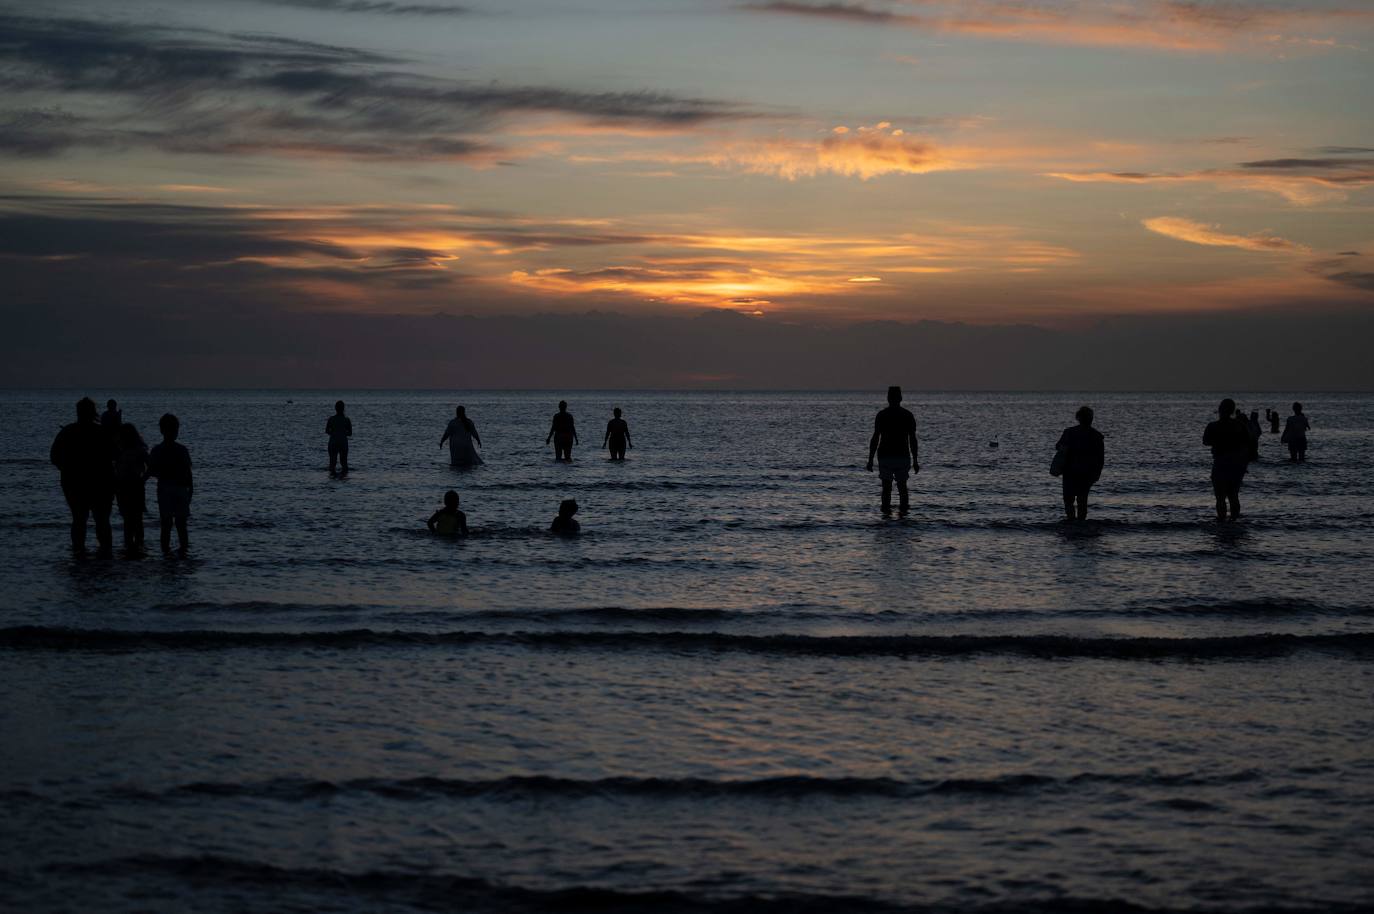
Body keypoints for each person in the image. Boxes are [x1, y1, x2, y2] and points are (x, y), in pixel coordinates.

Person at [49, 397, 115, 555]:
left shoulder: (67, 432)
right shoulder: (102, 432)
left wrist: (66, 469)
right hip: (101, 483)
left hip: (73, 483)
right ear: (93, 412)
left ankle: (79, 553)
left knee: (79, 520)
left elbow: (54, 457)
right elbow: (115, 454)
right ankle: (105, 554)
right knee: (102, 521)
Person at [866, 386, 919, 514]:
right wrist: (916, 460)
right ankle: (903, 516)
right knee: (902, 488)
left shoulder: (882, 415)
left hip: (885, 456)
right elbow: (913, 440)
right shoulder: (907, 415)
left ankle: (886, 516)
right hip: (902, 456)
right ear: (900, 398)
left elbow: (875, 438)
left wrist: (870, 459)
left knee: (886, 488)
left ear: (888, 398)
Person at [147, 413, 193, 555]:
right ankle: (183, 552)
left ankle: (166, 553)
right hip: (179, 489)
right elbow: (188, 472)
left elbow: (151, 471)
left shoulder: (157, 450)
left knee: (166, 525)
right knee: (181, 525)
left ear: (161, 430)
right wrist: (190, 490)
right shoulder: (181, 449)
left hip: (166, 488)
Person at [1055, 406, 1105, 521]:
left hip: (1070, 472)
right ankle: (1081, 525)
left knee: (1068, 500)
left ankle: (1071, 523)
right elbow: (1100, 459)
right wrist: (1097, 474)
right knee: (1082, 501)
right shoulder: (1096, 436)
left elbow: (1058, 446)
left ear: (1078, 418)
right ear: (1091, 419)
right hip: (1086, 473)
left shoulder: (1069, 432)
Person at [1203, 398, 1250, 522]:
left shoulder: (1213, 426)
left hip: (1221, 463)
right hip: (1237, 465)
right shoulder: (1240, 426)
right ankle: (1234, 521)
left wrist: (1218, 441)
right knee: (1233, 495)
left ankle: (1221, 521)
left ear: (1220, 409)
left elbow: (1205, 441)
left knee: (1220, 497)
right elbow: (1248, 444)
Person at [114, 423, 149, 552]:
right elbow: (151, 465)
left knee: (130, 518)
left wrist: (143, 479)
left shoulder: (123, 450)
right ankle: (136, 545)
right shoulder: (122, 450)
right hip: (129, 486)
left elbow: (151, 465)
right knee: (134, 518)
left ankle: (132, 545)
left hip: (130, 486)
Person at [326, 400, 352, 476]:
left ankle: (332, 478)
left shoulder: (331, 419)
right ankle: (344, 477)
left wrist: (334, 433)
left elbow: (327, 430)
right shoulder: (347, 420)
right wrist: (343, 433)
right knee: (344, 463)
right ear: (343, 408)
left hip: (333, 441)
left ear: (335, 408)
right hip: (343, 442)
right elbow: (350, 433)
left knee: (332, 463)